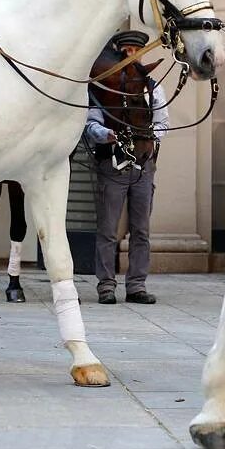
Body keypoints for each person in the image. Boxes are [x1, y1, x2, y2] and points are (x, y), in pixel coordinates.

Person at [84, 31, 168, 305]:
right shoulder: (105, 87)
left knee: (141, 230)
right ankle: (106, 286)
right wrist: (106, 134)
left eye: (136, 51)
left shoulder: (153, 87)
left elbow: (162, 121)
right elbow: (91, 123)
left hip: (143, 166)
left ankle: (136, 286)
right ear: (120, 53)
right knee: (108, 230)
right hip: (113, 164)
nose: (132, 55)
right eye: (127, 50)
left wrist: (148, 137)